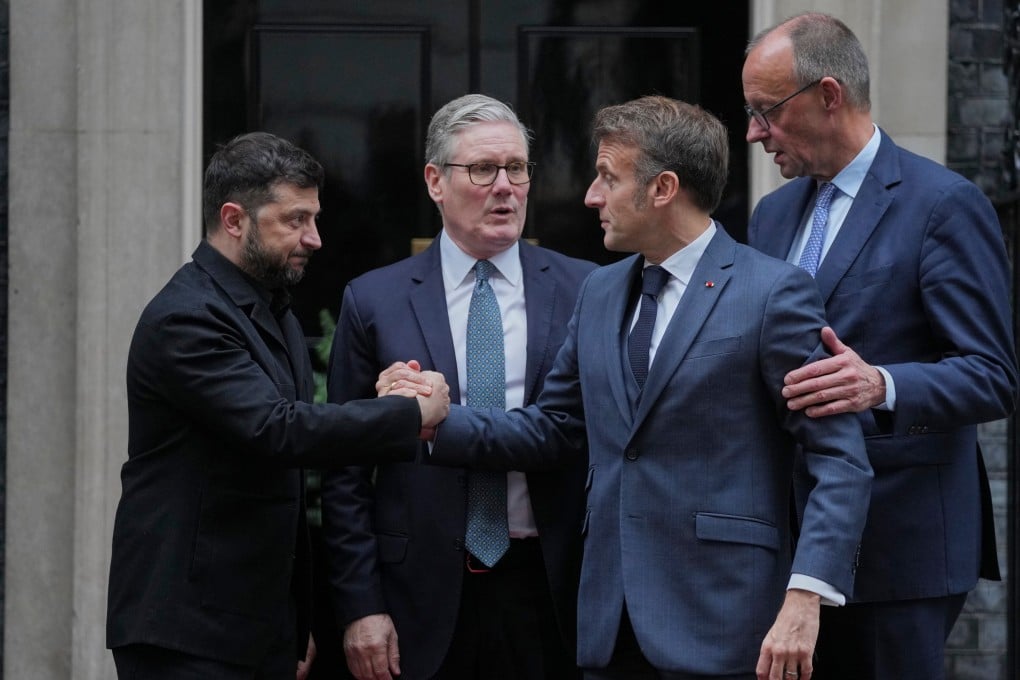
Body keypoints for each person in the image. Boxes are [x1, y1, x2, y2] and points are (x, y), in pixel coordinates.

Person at [388, 95, 873, 679]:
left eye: (607, 178)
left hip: (728, 623)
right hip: (606, 624)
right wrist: (437, 418)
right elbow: (555, 426)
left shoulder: (773, 294)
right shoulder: (599, 292)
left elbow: (839, 462)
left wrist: (805, 597)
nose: (591, 196)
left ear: (662, 188)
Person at [105, 131, 450, 680]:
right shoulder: (187, 317)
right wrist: (410, 414)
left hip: (250, 626)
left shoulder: (271, 310)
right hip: (186, 634)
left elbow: (283, 459)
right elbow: (278, 430)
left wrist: (291, 621)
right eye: (294, 220)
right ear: (234, 219)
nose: (314, 238)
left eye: (314, 218)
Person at [742, 13, 1018, 680]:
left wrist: (883, 386)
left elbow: (993, 375)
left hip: (900, 546)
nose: (754, 132)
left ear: (828, 95)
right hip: (787, 544)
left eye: (766, 111)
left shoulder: (943, 205)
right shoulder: (772, 214)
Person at [320, 94, 596, 680]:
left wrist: (432, 419)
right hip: (416, 594)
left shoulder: (586, 291)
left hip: (551, 589)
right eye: (482, 170)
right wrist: (360, 605)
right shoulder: (374, 300)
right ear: (435, 182)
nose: (505, 187)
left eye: (517, 168)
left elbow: (586, 434)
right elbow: (344, 473)